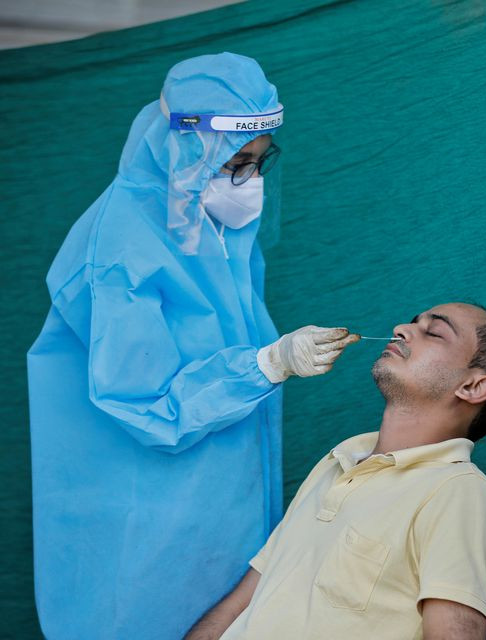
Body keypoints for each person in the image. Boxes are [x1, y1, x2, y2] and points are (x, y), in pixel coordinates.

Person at [26, 53, 358, 640]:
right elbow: (144, 404)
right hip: (145, 534)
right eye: (234, 163)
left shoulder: (206, 228)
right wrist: (266, 364)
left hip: (219, 521)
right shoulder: (122, 254)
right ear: (184, 149)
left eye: (258, 164)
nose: (248, 182)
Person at [185, 302, 486, 640]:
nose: (401, 329)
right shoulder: (336, 462)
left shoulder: (458, 492)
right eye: (413, 321)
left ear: (473, 387)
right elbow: (242, 602)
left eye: (434, 332)